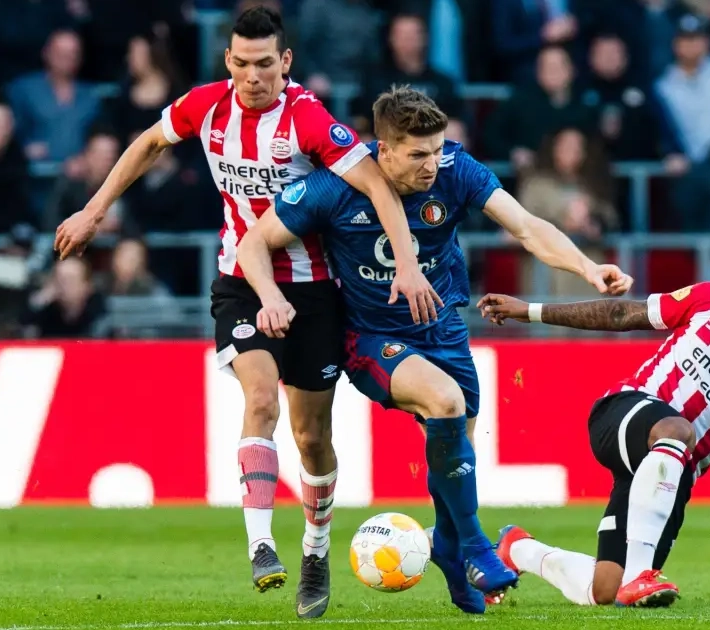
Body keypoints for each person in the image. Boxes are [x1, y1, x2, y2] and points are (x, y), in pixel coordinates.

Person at [51, 6, 440, 619]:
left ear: (285, 62)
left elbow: (376, 184)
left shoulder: (308, 119)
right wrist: (95, 209)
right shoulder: (205, 106)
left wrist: (408, 265)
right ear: (228, 60)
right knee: (259, 399)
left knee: (312, 438)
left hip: (314, 291)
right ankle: (261, 546)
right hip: (241, 282)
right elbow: (149, 142)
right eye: (241, 63)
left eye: (264, 64)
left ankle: (315, 549)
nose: (252, 76)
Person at [235, 86, 633, 614]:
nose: (432, 164)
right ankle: (475, 546)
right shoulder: (335, 185)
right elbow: (252, 242)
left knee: (457, 450)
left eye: (438, 149)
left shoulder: (456, 170)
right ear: (384, 149)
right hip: (370, 338)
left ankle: (447, 548)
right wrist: (269, 296)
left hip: (445, 331)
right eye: (418, 154)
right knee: (445, 401)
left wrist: (587, 267)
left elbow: (527, 227)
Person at [475, 247, 710, 609]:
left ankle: (518, 549)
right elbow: (621, 314)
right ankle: (640, 574)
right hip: (624, 414)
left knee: (605, 591)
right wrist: (529, 311)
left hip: (669, 477)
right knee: (678, 430)